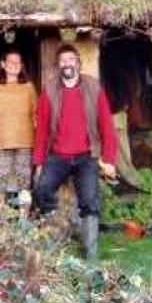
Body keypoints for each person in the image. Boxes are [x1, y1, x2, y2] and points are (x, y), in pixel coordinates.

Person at [33, 43, 119, 260]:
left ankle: (91, 253)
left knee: (90, 200)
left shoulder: (93, 87)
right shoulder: (49, 90)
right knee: (42, 190)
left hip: (86, 156)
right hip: (57, 156)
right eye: (63, 61)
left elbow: (107, 125)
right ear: (58, 66)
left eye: (71, 60)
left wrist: (109, 159)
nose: (67, 64)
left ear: (78, 64)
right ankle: (56, 236)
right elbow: (42, 130)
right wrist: (39, 162)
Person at [0, 49, 38, 202]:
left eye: (18, 62)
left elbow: (36, 114)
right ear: (3, 64)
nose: (14, 65)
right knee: (1, 185)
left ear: (22, 66)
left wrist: (40, 140)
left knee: (23, 185)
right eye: (10, 61)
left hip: (25, 144)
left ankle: (23, 215)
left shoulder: (29, 88)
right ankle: (1, 215)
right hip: (1, 143)